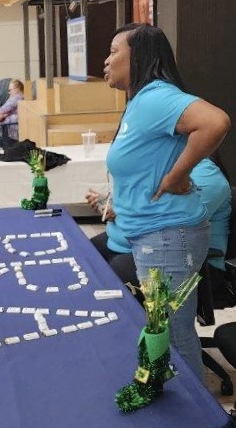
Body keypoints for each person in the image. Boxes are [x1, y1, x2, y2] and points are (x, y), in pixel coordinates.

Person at [103, 23, 230, 377]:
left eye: (114, 51)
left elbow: (215, 121)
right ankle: (181, 405)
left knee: (173, 331)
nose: (106, 60)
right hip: (151, 235)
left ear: (139, 57)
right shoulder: (140, 102)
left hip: (168, 236)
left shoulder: (157, 95)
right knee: (167, 328)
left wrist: (177, 176)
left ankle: (195, 418)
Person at [88, 157, 232, 299]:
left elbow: (169, 228)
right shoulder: (163, 166)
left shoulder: (207, 178)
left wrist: (122, 214)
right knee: (85, 253)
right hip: (141, 243)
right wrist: (110, 204)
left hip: (193, 266)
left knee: (115, 275)